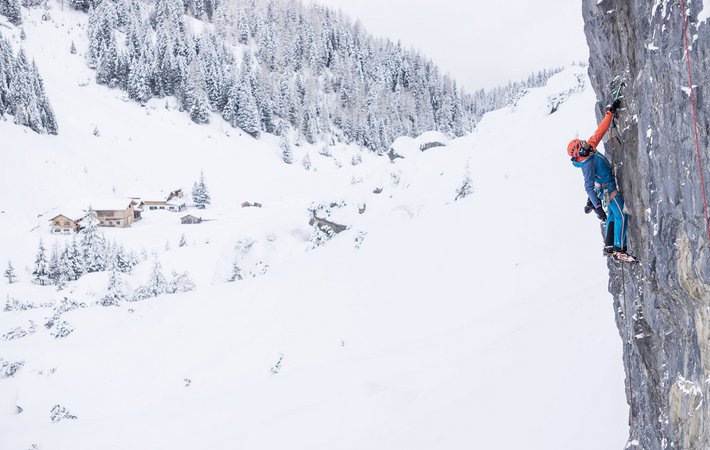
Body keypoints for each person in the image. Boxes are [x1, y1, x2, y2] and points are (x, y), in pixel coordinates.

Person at [567, 99, 634, 263]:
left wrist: (610, 112)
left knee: (612, 215)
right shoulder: (586, 164)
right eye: (582, 144)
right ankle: (620, 249)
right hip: (608, 190)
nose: (585, 143)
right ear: (579, 151)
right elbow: (588, 187)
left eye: (582, 141)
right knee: (621, 216)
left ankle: (610, 246)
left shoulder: (589, 148)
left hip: (605, 189)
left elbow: (600, 131)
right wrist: (597, 207)